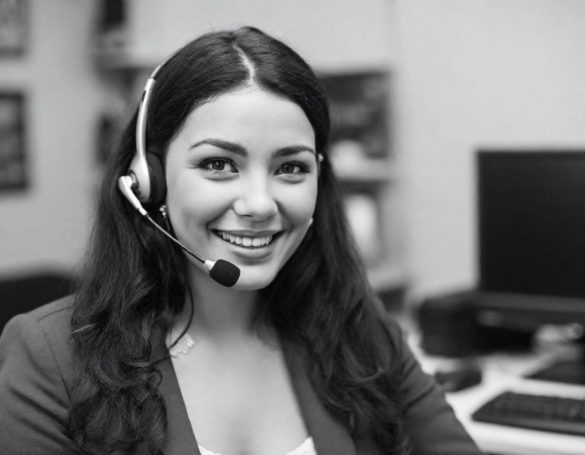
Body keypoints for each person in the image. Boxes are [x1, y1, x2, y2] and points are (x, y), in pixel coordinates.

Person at [0, 27, 481, 455]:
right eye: (218, 164)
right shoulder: (51, 359)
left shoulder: (359, 328)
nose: (260, 204)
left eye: (290, 167)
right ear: (149, 180)